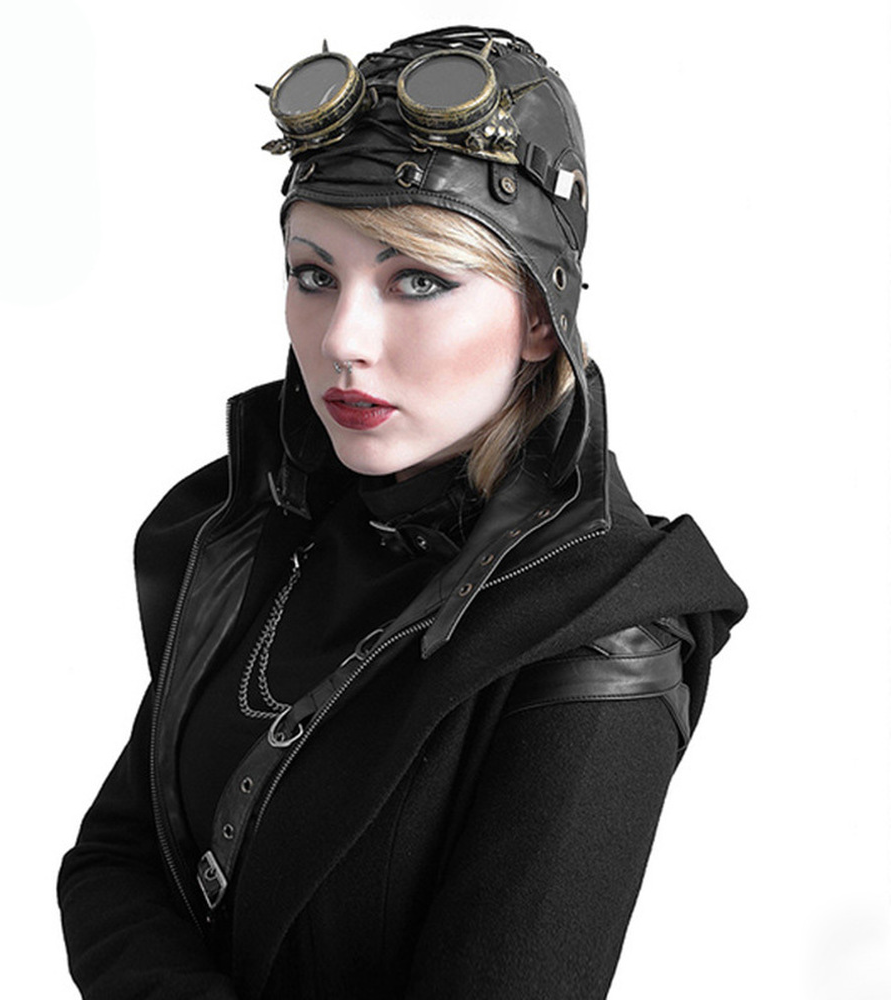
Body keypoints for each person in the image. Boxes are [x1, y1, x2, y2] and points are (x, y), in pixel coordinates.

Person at [58, 25, 747, 1000]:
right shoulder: (268, 527)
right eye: (314, 275)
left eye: (417, 280)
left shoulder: (601, 633)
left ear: (539, 318)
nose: (343, 339)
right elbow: (114, 857)